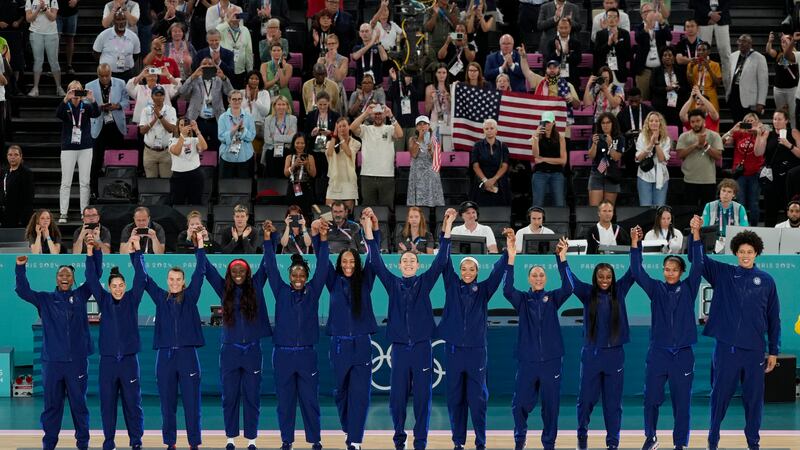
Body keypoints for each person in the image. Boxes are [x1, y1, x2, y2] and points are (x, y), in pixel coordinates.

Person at [363, 208, 454, 450]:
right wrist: (369, 233)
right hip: (400, 349)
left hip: (423, 348)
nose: (409, 263)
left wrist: (448, 227)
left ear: (417, 263)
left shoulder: (425, 281)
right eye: (405, 260)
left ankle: (421, 441)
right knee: (397, 400)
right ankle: (399, 439)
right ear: (400, 264)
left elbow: (442, 260)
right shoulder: (392, 283)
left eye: (412, 260)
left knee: (423, 399)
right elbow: (374, 260)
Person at [697, 227, 780, 450]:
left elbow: (774, 319)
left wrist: (773, 351)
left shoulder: (766, 281)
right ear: (735, 252)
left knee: (753, 401)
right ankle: (712, 440)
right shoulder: (723, 274)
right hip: (727, 349)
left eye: (750, 252)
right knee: (719, 397)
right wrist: (696, 235)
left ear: (756, 253)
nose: (745, 255)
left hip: (754, 351)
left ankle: (753, 443)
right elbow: (697, 259)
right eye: (742, 251)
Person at [629, 219, 703, 450]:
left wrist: (696, 233)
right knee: (651, 399)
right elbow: (636, 271)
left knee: (682, 404)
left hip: (682, 355)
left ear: (682, 272)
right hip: (658, 354)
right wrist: (634, 244)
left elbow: (699, 264)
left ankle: (680, 444)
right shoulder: (656, 289)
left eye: (674, 270)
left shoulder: (689, 288)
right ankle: (650, 438)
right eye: (667, 269)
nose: (670, 273)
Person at [200, 228, 272, 450]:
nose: (238, 273)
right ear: (230, 274)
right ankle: (230, 437)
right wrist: (200, 244)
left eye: (242, 269)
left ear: (248, 272)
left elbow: (268, 264)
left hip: (252, 351)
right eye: (234, 270)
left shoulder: (257, 285)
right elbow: (207, 269)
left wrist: (269, 239)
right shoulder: (224, 290)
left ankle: (251, 439)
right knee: (229, 397)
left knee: (252, 396)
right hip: (230, 351)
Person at [438, 228, 510, 450]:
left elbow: (498, 272)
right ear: (459, 271)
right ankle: (458, 442)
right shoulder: (451, 285)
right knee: (455, 399)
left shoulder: (484, 290)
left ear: (477, 272)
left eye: (472, 269)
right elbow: (444, 260)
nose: (467, 272)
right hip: (454, 351)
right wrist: (446, 233)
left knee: (478, 401)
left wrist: (508, 249)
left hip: (477, 352)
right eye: (464, 269)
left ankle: (481, 441)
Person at [261, 219, 330, 450]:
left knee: (310, 400)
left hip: (307, 355)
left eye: (302, 275)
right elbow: (270, 267)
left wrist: (323, 239)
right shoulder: (280, 291)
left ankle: (315, 440)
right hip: (282, 355)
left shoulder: (313, 292)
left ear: (306, 276)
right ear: (290, 276)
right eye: (295, 275)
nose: (298, 278)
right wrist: (267, 240)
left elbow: (322, 267)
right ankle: (286, 441)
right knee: (285, 402)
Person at [15, 253, 94, 450]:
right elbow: (22, 290)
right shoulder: (45, 299)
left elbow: (95, 275)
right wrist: (20, 268)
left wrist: (93, 254)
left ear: (74, 279)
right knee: (51, 407)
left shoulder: (81, 295)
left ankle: (83, 445)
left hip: (77, 363)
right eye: (61, 274)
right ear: (56, 279)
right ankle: (48, 445)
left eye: (68, 274)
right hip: (52, 364)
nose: (64, 277)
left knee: (79, 406)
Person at [504, 234, 573, 450]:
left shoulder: (553, 298)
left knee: (551, 407)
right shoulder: (522, 300)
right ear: (529, 279)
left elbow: (569, 287)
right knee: (520, 404)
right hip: (527, 360)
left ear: (545, 279)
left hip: (551, 360)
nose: (538, 278)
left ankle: (549, 443)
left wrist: (562, 259)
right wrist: (511, 259)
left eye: (541, 275)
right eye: (534, 275)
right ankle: (520, 439)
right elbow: (507, 289)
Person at [318, 210, 379, 450]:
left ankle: (355, 439)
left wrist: (371, 232)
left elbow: (375, 258)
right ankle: (348, 427)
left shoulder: (365, 281)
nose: (348, 265)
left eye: (352, 261)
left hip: (362, 344)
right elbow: (322, 263)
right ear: (339, 263)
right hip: (340, 345)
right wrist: (321, 240)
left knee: (361, 395)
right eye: (344, 261)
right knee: (341, 392)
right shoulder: (332, 282)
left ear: (357, 263)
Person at [142, 233, 207, 450]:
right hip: (165, 357)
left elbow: (201, 272)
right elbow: (144, 279)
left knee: (192, 405)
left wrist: (200, 247)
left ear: (184, 282)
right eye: (171, 279)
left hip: (188, 356)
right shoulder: (160, 298)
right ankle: (170, 443)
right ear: (167, 281)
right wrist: (136, 252)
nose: (175, 282)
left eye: (179, 279)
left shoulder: (191, 296)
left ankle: (194, 443)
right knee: (167, 406)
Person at [85, 234, 145, 450]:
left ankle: (136, 442)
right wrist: (90, 252)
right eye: (114, 285)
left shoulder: (132, 299)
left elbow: (141, 277)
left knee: (133, 405)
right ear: (109, 287)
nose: (118, 289)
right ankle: (109, 442)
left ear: (125, 286)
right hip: (108, 363)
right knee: (107, 406)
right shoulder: (103, 300)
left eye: (121, 285)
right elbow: (91, 279)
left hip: (129, 362)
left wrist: (137, 252)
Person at [572, 252, 635, 450]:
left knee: (613, 405)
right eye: (601, 277)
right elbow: (569, 278)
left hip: (614, 357)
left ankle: (613, 443)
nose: (605, 280)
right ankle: (582, 436)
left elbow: (635, 270)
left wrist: (636, 244)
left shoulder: (621, 290)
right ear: (595, 278)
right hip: (592, 355)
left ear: (613, 278)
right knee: (586, 401)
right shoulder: (586, 293)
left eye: (608, 277)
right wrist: (561, 258)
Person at [57, 82, 100, 223]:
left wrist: (92, 99)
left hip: (85, 147)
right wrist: (65, 100)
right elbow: (58, 114)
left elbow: (97, 113)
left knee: (85, 182)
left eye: (78, 91)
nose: (75, 94)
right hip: (68, 147)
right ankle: (63, 213)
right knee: (66, 182)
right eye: (72, 91)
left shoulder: (86, 107)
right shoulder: (66, 107)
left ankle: (84, 213)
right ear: (68, 92)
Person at [86, 64, 128, 197]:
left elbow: (127, 101)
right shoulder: (89, 86)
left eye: (107, 75)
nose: (104, 78)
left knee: (117, 160)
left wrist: (117, 106)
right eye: (101, 76)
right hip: (99, 125)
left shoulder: (121, 83)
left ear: (111, 73)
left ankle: (119, 191)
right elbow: (87, 105)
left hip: (115, 125)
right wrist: (98, 107)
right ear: (98, 75)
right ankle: (94, 190)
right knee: (96, 160)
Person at [351, 103, 402, 207]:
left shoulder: (389, 128)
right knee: (368, 209)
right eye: (375, 114)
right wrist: (365, 113)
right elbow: (352, 128)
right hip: (367, 175)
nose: (378, 116)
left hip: (387, 176)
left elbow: (400, 134)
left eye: (380, 114)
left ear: (384, 115)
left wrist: (391, 115)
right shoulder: (366, 129)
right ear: (372, 115)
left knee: (387, 210)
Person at [178, 58, 234, 152]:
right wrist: (192, 76)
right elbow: (182, 92)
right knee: (197, 147)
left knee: (217, 147)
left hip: (215, 120)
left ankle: (216, 166)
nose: (207, 65)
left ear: (214, 66)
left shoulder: (219, 79)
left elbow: (231, 93)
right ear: (199, 66)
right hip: (197, 120)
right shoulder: (195, 79)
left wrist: (224, 77)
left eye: (210, 64)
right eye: (204, 64)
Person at [722, 113, 767, 225]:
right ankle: (740, 226)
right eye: (747, 121)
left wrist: (759, 129)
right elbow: (722, 141)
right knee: (740, 202)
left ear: (757, 122)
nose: (750, 123)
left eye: (752, 121)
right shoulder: (739, 133)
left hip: (755, 172)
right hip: (740, 173)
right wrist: (733, 129)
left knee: (754, 203)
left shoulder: (762, 132)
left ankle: (754, 226)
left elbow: (768, 129)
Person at [676, 108, 723, 207]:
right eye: (692, 122)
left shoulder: (714, 136)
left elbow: (718, 156)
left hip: (708, 180)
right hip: (689, 180)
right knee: (689, 211)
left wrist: (705, 145)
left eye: (698, 121)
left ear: (704, 121)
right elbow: (679, 155)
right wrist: (695, 145)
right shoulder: (684, 136)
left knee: (708, 213)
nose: (695, 124)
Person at [762, 110, 800, 226]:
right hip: (772, 177)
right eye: (774, 119)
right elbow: (758, 153)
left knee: (790, 209)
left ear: (786, 121)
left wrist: (788, 145)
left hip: (790, 178)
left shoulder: (793, 132)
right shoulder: (768, 134)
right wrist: (760, 136)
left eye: (779, 119)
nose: (776, 122)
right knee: (770, 211)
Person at [725, 34, 767, 123]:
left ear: (750, 44)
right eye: (739, 41)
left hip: (750, 100)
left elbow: (763, 82)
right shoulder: (733, 56)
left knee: (749, 127)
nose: (741, 44)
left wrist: (761, 102)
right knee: (736, 124)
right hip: (734, 96)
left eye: (744, 42)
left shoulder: (759, 58)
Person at [632, 7, 671, 100]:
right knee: (643, 99)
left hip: (660, 69)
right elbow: (638, 39)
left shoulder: (661, 26)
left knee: (661, 98)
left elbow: (669, 37)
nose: (648, 13)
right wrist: (648, 27)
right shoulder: (639, 27)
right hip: (644, 71)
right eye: (645, 12)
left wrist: (661, 21)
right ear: (641, 15)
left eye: (650, 11)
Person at [139, 84, 178, 178]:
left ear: (164, 97)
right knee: (151, 184)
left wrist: (160, 116)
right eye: (157, 95)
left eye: (161, 95)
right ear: (152, 96)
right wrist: (154, 119)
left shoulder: (171, 110)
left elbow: (171, 130)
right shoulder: (145, 110)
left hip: (166, 152)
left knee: (166, 182)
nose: (159, 97)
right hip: (149, 152)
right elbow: (142, 131)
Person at [25, 0, 64, 96]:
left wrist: (45, 9)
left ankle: (59, 88)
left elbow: (53, 17)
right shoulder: (30, 1)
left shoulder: (52, 0)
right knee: (38, 61)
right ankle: (35, 88)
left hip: (51, 34)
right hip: (36, 33)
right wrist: (38, 8)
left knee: (54, 61)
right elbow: (28, 19)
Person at [693, 0, 731, 92]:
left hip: (722, 18)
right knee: (702, 55)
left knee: (726, 55)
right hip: (703, 19)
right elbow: (694, 2)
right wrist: (709, 14)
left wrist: (717, 16)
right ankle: (702, 89)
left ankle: (729, 90)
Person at [530, 111, 567, 207]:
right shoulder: (537, 137)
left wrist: (543, 159)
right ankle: (537, 222)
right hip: (540, 173)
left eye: (549, 122)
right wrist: (535, 137)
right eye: (545, 122)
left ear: (554, 122)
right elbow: (536, 155)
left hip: (556, 173)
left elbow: (563, 161)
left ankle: (558, 222)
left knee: (559, 203)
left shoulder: (560, 138)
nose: (547, 124)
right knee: (538, 203)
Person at [470, 119, 510, 206]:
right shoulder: (477, 146)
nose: (489, 130)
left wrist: (493, 180)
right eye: (486, 128)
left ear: (496, 130)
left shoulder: (503, 146)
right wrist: (485, 181)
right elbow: (475, 166)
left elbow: (505, 166)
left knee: (500, 210)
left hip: (499, 183)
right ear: (483, 131)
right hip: (481, 182)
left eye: (491, 128)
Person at [587, 112, 625, 206]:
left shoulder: (620, 138)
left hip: (611, 174)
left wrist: (610, 145)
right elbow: (591, 156)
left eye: (608, 122)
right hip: (597, 172)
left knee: (608, 209)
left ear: (613, 124)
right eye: (603, 123)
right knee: (595, 209)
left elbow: (616, 157)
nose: (605, 125)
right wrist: (594, 144)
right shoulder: (595, 137)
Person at [92, 11, 141, 81]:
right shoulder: (103, 35)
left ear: (126, 20)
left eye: (123, 19)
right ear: (113, 21)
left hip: (127, 74)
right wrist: (107, 64)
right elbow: (96, 53)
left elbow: (136, 55)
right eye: (118, 19)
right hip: (109, 75)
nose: (121, 22)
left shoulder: (133, 36)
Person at [407, 115, 444, 207]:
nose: (422, 126)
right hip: (417, 174)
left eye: (424, 124)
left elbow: (436, 161)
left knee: (431, 202)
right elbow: (414, 154)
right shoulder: (412, 139)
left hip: (430, 174)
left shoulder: (435, 140)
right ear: (416, 127)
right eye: (419, 124)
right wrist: (420, 138)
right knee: (417, 204)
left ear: (429, 126)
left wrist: (431, 150)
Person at [168, 117, 208, 205]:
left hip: (195, 175)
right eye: (181, 125)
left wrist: (197, 130)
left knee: (195, 203)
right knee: (177, 203)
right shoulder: (172, 141)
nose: (184, 127)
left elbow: (204, 147)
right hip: (178, 177)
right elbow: (176, 151)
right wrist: (182, 136)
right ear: (178, 127)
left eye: (186, 125)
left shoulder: (194, 140)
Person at [635, 111, 671, 206]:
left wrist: (656, 143)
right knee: (645, 207)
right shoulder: (641, 137)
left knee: (659, 208)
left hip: (662, 176)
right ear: (648, 123)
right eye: (651, 121)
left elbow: (662, 159)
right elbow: (639, 158)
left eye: (656, 121)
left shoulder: (666, 139)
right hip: (644, 176)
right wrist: (650, 144)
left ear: (660, 123)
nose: (654, 123)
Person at [218, 90, 257, 178]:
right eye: (234, 99)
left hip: (245, 156)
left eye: (239, 99)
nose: (237, 101)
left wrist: (244, 130)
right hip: (227, 156)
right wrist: (232, 131)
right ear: (229, 100)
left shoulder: (249, 117)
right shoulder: (222, 117)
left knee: (245, 186)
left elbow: (251, 137)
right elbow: (221, 137)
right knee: (226, 187)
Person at [701, 178, 750, 246]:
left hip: (733, 242)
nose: (725, 194)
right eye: (723, 190)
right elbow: (704, 227)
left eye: (729, 192)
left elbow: (744, 229)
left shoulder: (740, 208)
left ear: (734, 195)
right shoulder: (709, 206)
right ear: (720, 191)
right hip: (713, 242)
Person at [325, 118, 360, 210]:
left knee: (347, 214)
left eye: (344, 125)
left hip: (349, 182)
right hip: (334, 182)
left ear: (349, 127)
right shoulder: (330, 142)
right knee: (329, 213)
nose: (342, 128)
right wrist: (334, 136)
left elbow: (349, 153)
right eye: (339, 126)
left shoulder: (356, 143)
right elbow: (329, 153)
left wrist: (340, 138)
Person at [592, 8, 632, 88]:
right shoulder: (600, 34)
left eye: (614, 17)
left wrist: (617, 42)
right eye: (609, 16)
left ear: (618, 19)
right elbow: (596, 54)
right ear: (606, 18)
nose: (612, 19)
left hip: (619, 73)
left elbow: (628, 55)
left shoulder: (625, 34)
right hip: (603, 72)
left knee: (617, 98)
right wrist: (608, 44)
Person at [216, 6, 253, 89]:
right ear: (227, 16)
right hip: (225, 70)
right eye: (233, 14)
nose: (235, 17)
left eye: (237, 15)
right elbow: (215, 31)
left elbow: (248, 51)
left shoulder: (245, 30)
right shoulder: (223, 29)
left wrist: (250, 71)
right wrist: (228, 21)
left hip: (240, 70)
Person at [650, 47, 686, 129]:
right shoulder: (656, 71)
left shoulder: (680, 71)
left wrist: (678, 88)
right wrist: (666, 89)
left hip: (677, 105)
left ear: (673, 57)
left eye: (670, 55)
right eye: (665, 55)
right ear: (661, 58)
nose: (667, 57)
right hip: (661, 105)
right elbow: (652, 87)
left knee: (677, 127)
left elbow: (686, 88)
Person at [262, 95, 298, 177]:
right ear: (274, 106)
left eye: (283, 104)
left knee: (287, 155)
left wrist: (274, 136)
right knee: (270, 154)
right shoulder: (268, 119)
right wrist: (285, 137)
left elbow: (292, 138)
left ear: (287, 106)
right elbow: (267, 139)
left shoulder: (293, 119)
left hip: (286, 149)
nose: (281, 107)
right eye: (279, 104)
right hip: (271, 149)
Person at [766, 33, 799, 123]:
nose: (783, 42)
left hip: (792, 89)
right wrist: (770, 41)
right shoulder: (778, 53)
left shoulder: (796, 54)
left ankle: (793, 132)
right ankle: (781, 132)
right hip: (779, 88)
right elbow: (769, 50)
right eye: (782, 41)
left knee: (792, 113)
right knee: (781, 112)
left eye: (786, 40)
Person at [0, 145, 34, 228]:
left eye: (16, 155)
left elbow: (29, 197)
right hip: (4, 215)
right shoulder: (5, 171)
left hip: (19, 217)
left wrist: (22, 219)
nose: (12, 157)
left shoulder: (26, 173)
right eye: (10, 155)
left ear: (21, 156)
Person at [283, 134, 316, 218]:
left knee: (305, 214)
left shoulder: (310, 157)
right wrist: (294, 166)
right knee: (292, 213)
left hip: (306, 189)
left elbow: (313, 174)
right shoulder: (289, 157)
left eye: (302, 143)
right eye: (297, 143)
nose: (300, 145)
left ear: (305, 144)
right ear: (293, 143)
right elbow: (286, 173)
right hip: (292, 187)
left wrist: (307, 165)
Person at [317, 33, 349, 116]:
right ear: (326, 45)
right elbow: (319, 78)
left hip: (337, 89)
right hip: (323, 90)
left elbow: (339, 78)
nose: (331, 46)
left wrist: (332, 62)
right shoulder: (321, 60)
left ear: (337, 44)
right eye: (329, 44)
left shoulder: (343, 60)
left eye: (333, 43)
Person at [544, 18, 581, 89]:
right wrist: (557, 52)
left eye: (566, 28)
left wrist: (567, 54)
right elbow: (548, 60)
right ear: (557, 28)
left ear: (570, 28)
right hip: (554, 78)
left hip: (572, 78)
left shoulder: (576, 43)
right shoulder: (551, 42)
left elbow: (578, 60)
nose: (563, 30)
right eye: (561, 28)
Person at [686, 42, 722, 114]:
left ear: (709, 51)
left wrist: (708, 68)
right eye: (699, 50)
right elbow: (690, 82)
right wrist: (691, 68)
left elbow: (718, 83)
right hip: (696, 96)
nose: (701, 52)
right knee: (695, 120)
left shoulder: (715, 65)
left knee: (711, 121)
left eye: (703, 50)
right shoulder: (691, 64)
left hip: (710, 95)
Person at [423, 66, 451, 151]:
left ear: (447, 74)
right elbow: (427, 110)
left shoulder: (451, 87)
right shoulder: (430, 88)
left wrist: (448, 99)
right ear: (435, 74)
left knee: (447, 150)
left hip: (447, 122)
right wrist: (433, 99)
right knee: (434, 150)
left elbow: (452, 110)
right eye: (439, 72)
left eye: (444, 72)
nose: (441, 75)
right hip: (434, 121)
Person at [260, 42, 293, 112]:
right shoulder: (264, 66)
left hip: (283, 95)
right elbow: (264, 86)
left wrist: (280, 67)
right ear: (270, 52)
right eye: (274, 50)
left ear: (282, 52)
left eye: (278, 50)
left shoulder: (288, 67)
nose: (276, 52)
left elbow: (283, 84)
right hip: (269, 96)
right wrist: (275, 79)